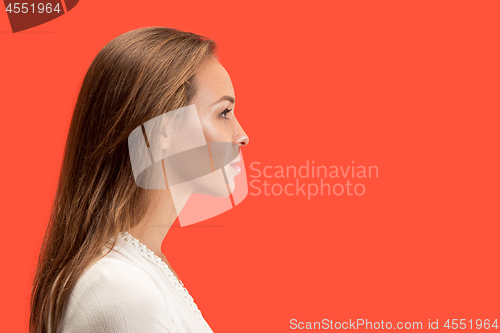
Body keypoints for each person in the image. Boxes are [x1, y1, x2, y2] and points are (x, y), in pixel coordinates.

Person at [29, 27, 249, 333]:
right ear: (164, 128)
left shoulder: (133, 272)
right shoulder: (124, 290)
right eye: (224, 112)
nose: (242, 136)